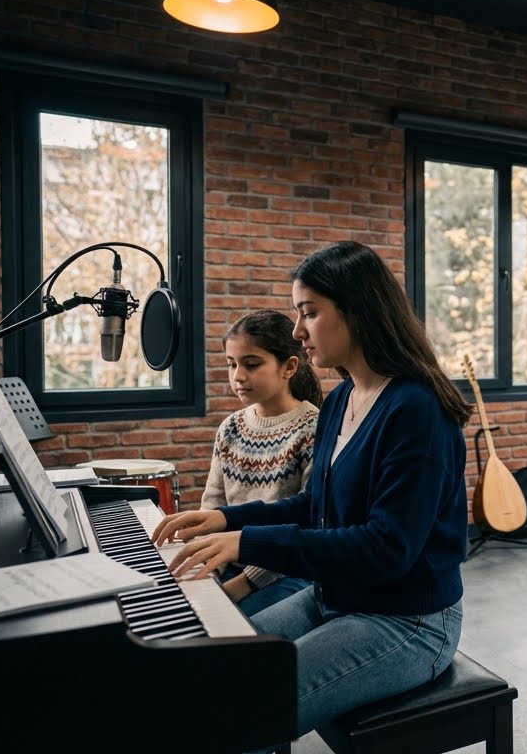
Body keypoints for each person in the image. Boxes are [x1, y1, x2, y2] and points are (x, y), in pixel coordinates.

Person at [152, 240, 471, 740]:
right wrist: (227, 520)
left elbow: (386, 547)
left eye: (309, 313)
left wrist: (248, 544)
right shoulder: (343, 396)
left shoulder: (416, 409)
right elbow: (319, 506)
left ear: (359, 312)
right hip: (335, 597)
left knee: (239, 710)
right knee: (210, 670)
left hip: (408, 622)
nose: (298, 332)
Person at [201, 309, 322, 617]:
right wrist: (207, 575)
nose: (238, 376)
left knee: (228, 637)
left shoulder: (313, 428)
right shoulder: (230, 427)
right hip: (231, 567)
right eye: (231, 364)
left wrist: (242, 584)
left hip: (286, 573)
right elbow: (213, 507)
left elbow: (308, 524)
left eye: (252, 364)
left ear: (289, 367)